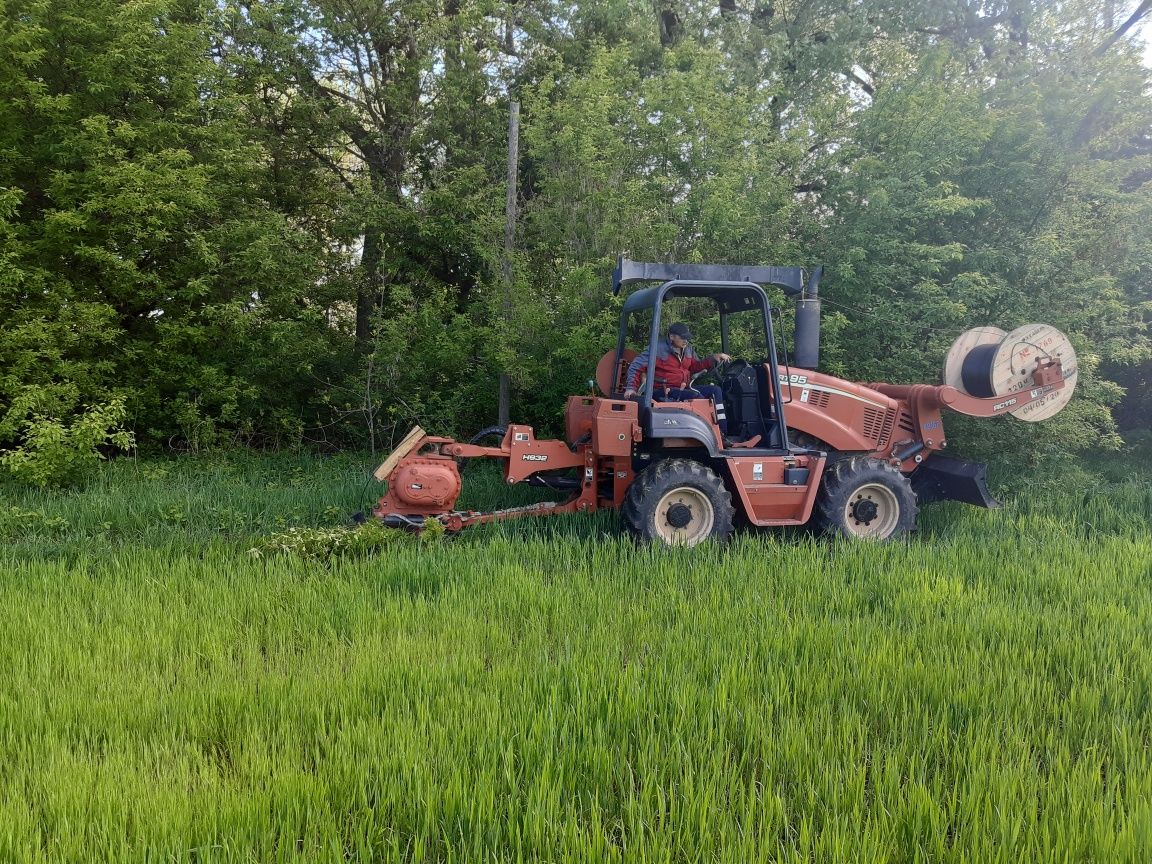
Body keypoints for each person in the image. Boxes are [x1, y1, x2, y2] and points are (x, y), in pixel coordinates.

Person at [623, 322, 732, 435]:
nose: (686, 341)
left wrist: (713, 358)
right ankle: (710, 433)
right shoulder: (657, 349)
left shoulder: (687, 349)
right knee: (698, 397)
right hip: (664, 390)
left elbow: (694, 366)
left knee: (715, 390)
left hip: (683, 388)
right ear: (671, 336)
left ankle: (722, 433)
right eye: (683, 338)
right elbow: (636, 366)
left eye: (687, 338)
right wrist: (631, 387)